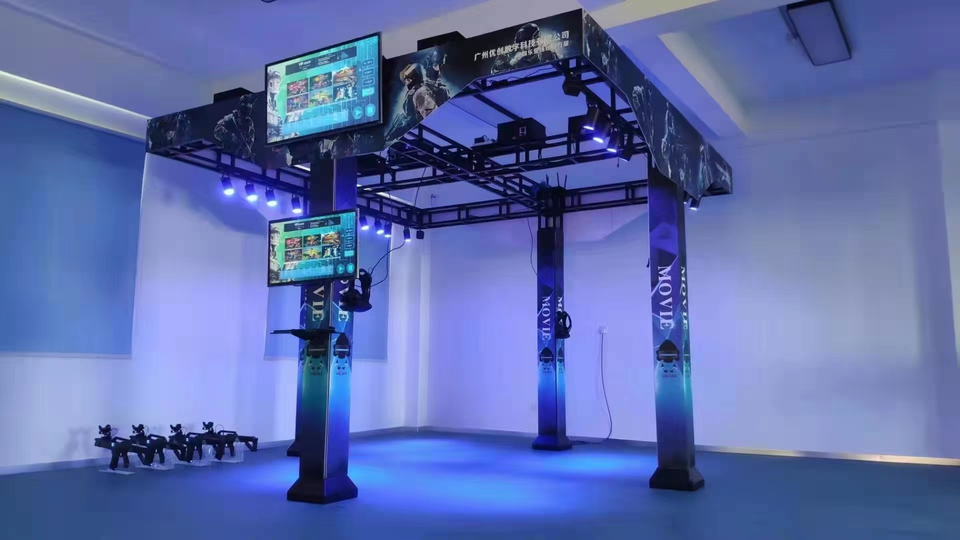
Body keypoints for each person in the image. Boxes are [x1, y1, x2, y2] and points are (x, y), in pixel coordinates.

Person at [386, 63, 449, 140]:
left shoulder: (420, 93)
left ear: (411, 79)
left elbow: (431, 119)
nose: (406, 83)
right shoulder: (421, 91)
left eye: (407, 80)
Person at [491, 23, 558, 75]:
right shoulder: (510, 53)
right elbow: (495, 70)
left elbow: (559, 68)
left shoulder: (546, 51)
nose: (539, 38)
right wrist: (510, 65)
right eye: (537, 37)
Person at [214, 94, 256, 160]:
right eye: (247, 105)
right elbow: (217, 130)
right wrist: (231, 136)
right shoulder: (231, 118)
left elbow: (249, 144)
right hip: (227, 156)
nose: (249, 107)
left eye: (250, 105)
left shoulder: (250, 125)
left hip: (240, 160)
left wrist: (247, 153)